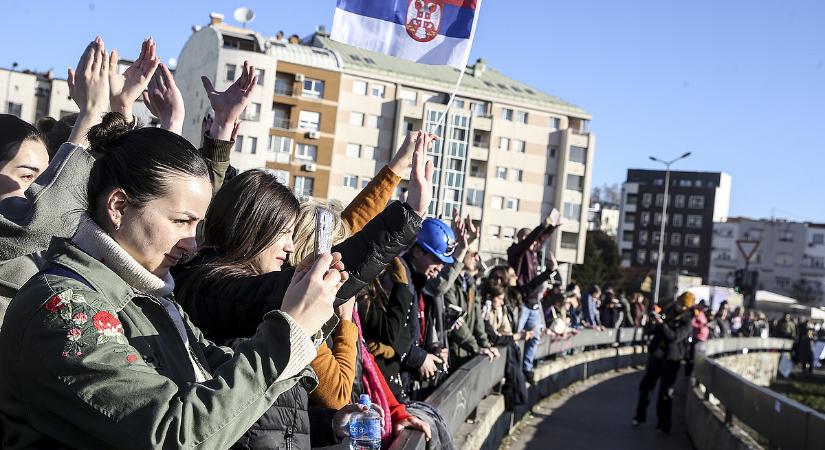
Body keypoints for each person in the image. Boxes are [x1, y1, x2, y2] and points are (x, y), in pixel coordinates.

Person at [0, 85, 359, 449]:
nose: (192, 241)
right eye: (181, 221)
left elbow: (218, 371)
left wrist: (302, 317)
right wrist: (290, 331)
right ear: (119, 207)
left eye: (196, 225)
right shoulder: (65, 307)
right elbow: (173, 434)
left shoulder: (151, 297)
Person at [173, 132, 434, 447]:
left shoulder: (237, 285)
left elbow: (275, 419)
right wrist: (410, 215)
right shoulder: (215, 288)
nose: (290, 245)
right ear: (254, 227)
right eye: (283, 231)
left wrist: (331, 423)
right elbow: (338, 266)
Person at [507, 210, 560, 384]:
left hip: (533, 304)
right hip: (521, 303)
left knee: (535, 336)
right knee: (514, 337)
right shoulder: (516, 252)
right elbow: (531, 240)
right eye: (529, 239)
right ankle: (509, 372)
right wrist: (542, 227)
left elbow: (539, 241)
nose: (534, 242)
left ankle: (526, 368)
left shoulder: (533, 255)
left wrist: (551, 229)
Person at [632, 291, 694, 434]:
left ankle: (663, 425)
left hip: (672, 359)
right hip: (657, 355)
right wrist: (653, 322)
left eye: (682, 305)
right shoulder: (669, 312)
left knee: (665, 393)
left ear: (687, 307)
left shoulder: (687, 323)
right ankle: (639, 417)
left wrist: (662, 324)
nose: (679, 306)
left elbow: (674, 337)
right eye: (679, 303)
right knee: (646, 387)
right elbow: (652, 331)